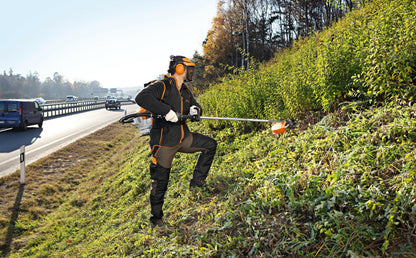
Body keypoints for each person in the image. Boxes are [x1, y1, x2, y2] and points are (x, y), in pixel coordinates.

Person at [135, 55, 217, 227]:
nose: (191, 72)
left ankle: (197, 183)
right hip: (164, 143)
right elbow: (142, 98)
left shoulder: (185, 90)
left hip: (183, 137)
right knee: (160, 183)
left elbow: (196, 106)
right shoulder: (162, 86)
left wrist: (196, 110)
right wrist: (166, 111)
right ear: (179, 68)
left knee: (210, 145)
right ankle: (156, 219)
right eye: (189, 68)